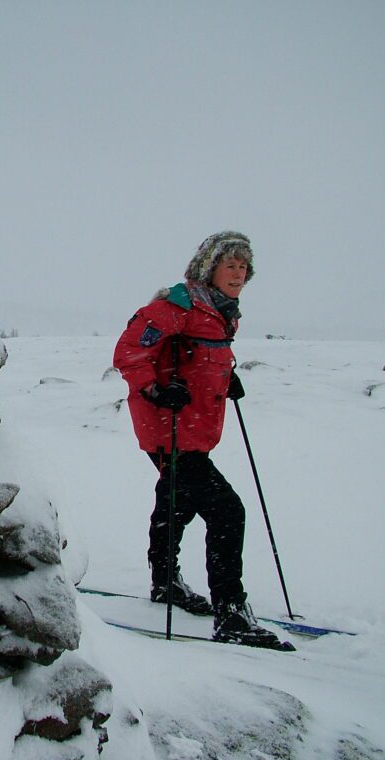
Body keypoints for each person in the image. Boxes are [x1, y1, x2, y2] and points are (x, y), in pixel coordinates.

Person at [112, 231, 288, 649]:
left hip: (196, 428)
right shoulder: (179, 306)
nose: (239, 273)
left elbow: (198, 359)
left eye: (244, 266)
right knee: (228, 512)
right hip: (170, 430)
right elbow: (130, 351)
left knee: (177, 501)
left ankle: (164, 583)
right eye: (231, 264)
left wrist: (227, 379)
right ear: (210, 268)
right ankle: (230, 615)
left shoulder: (220, 314)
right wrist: (155, 390)